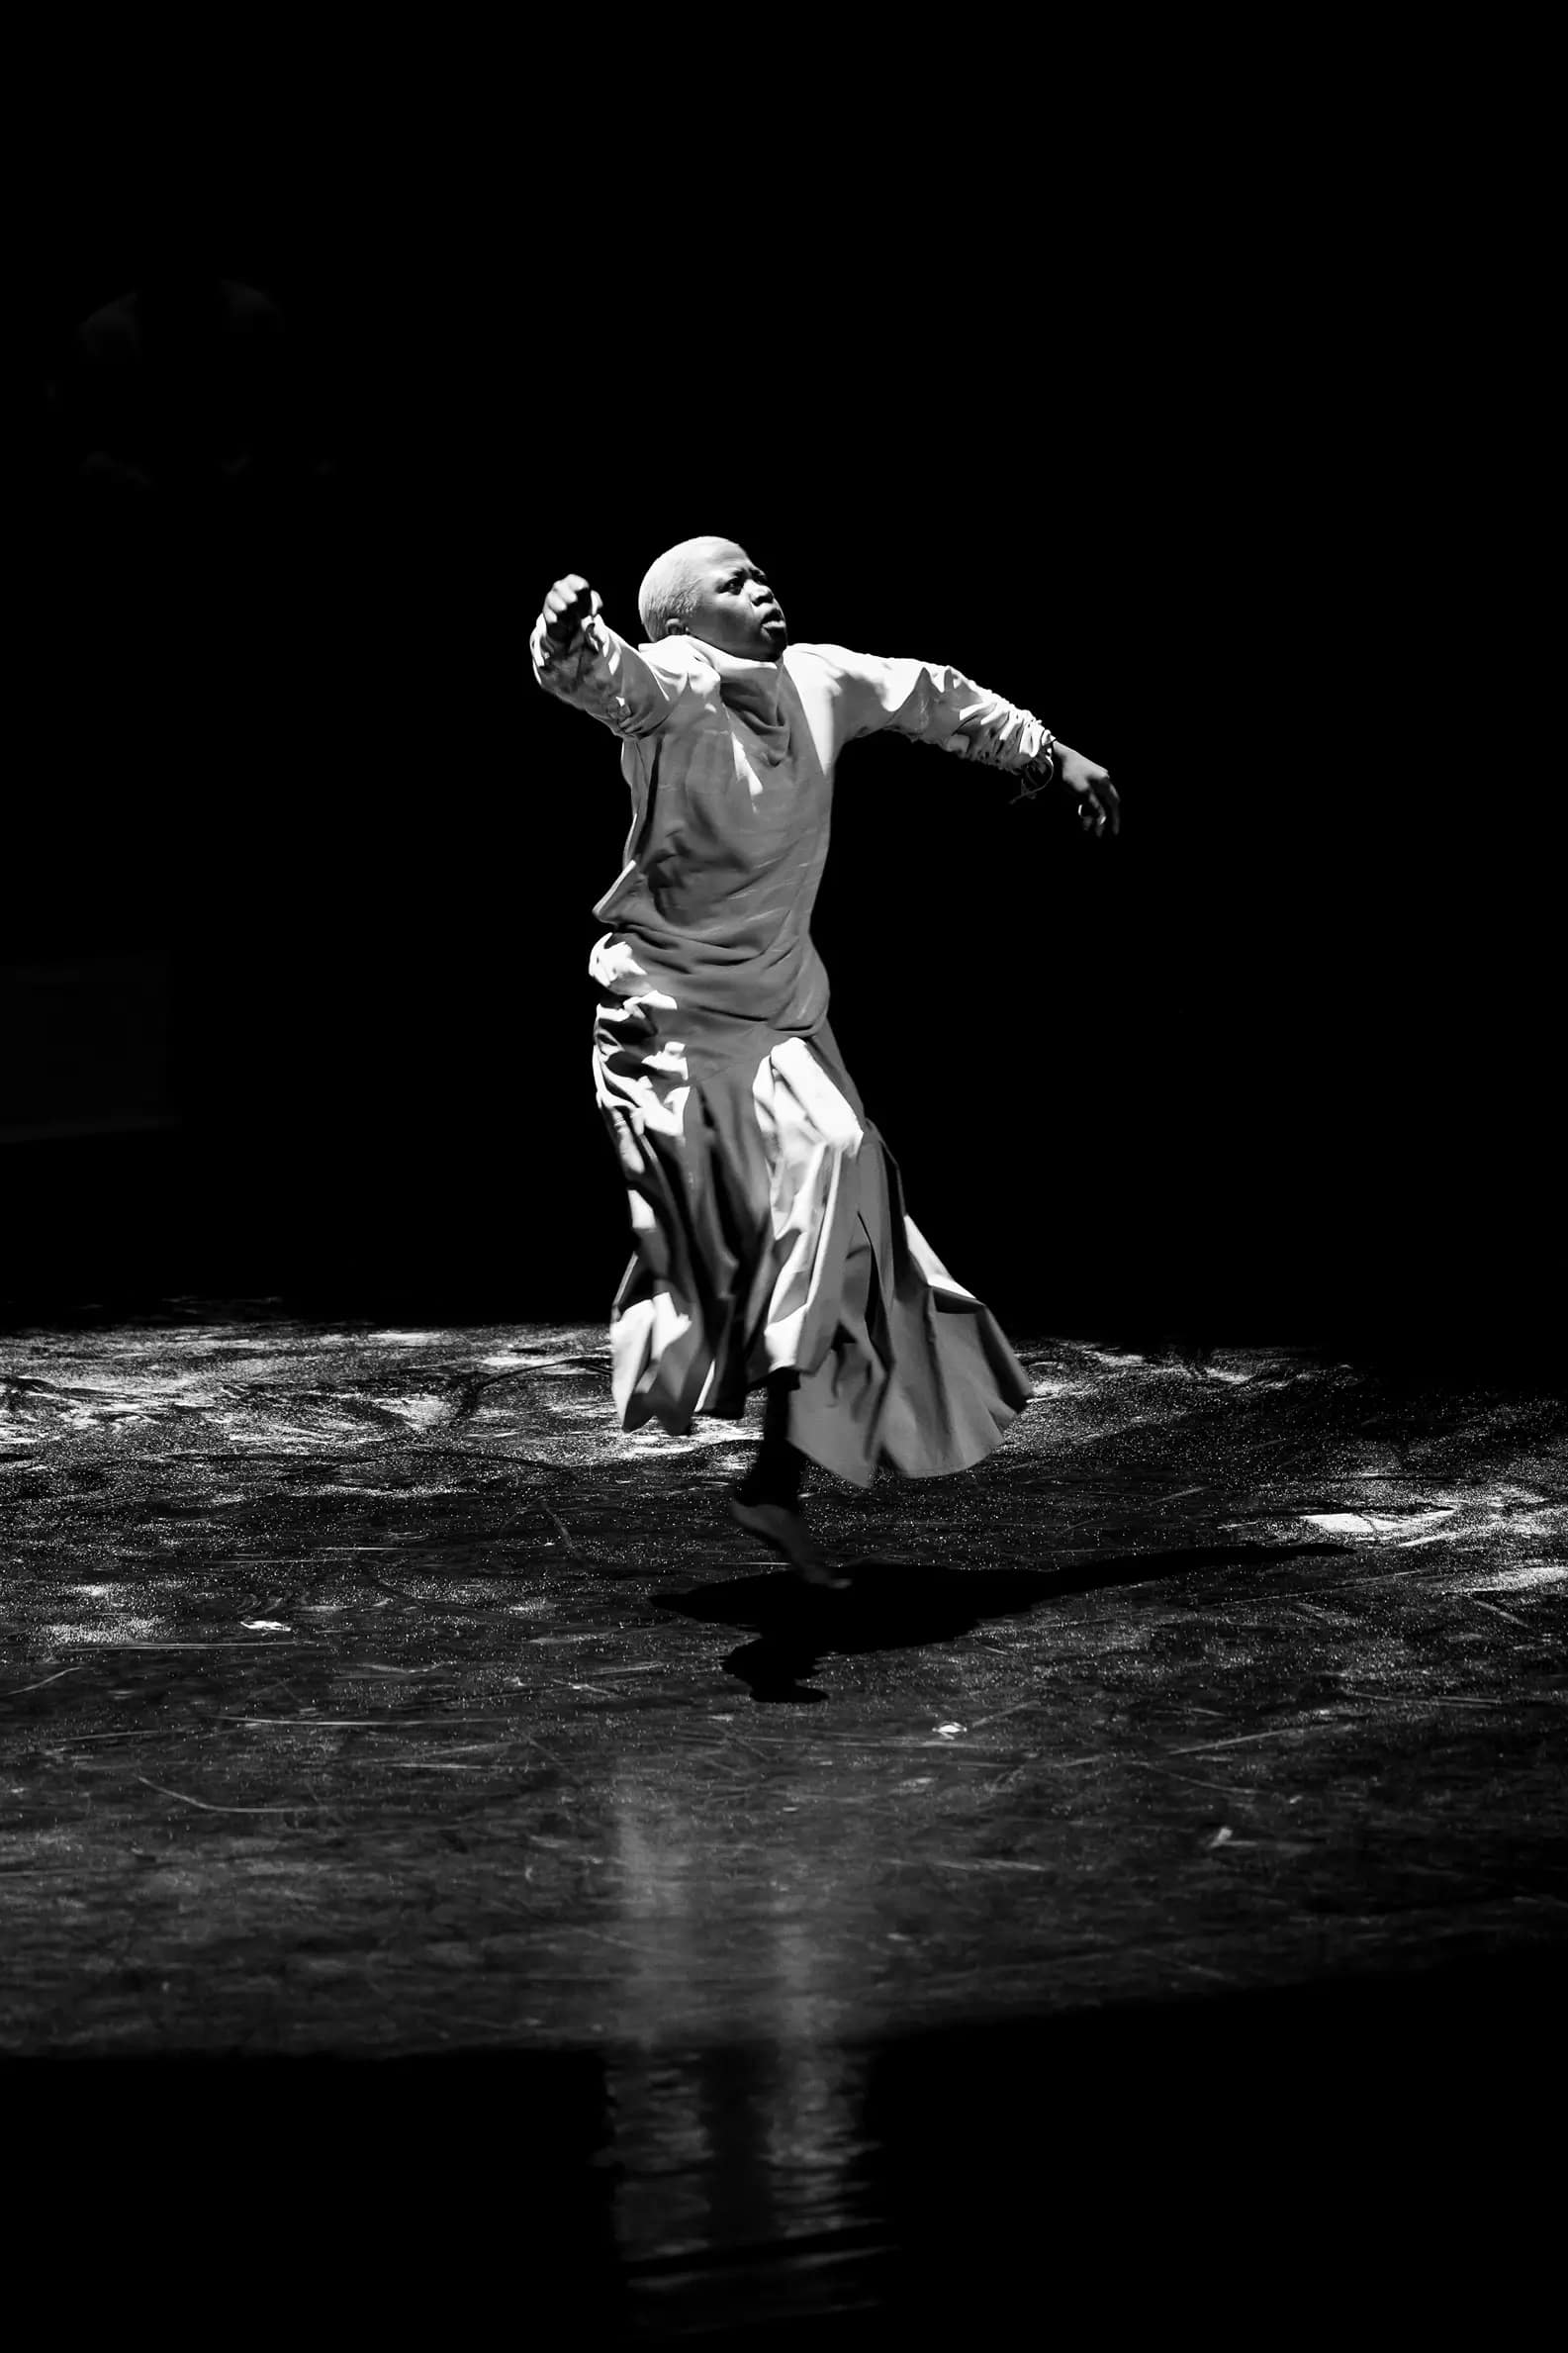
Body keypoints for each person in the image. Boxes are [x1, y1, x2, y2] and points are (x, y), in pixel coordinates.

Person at [530, 535, 1118, 1587]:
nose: (761, 587)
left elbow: (932, 694)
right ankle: (748, 1413)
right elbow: (603, 679)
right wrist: (566, 639)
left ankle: (775, 1481)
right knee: (729, 1245)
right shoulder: (674, 684)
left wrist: (1046, 753)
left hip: (780, 1013)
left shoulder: (822, 678)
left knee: (844, 1187)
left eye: (759, 572)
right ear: (681, 623)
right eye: (732, 582)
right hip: (673, 1017)